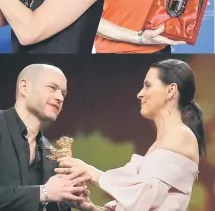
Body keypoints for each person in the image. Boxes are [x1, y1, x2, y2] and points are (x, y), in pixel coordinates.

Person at [55, 59, 205, 211]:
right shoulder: (163, 143)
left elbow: (143, 193)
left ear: (171, 90)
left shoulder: (180, 135)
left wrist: (92, 173)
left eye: (148, 86)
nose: (140, 94)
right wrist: (91, 208)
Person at [0, 64, 88, 211]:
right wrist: (43, 192)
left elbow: (49, 199)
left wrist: (72, 201)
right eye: (52, 88)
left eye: (63, 93)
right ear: (24, 87)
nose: (59, 98)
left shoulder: (51, 153)